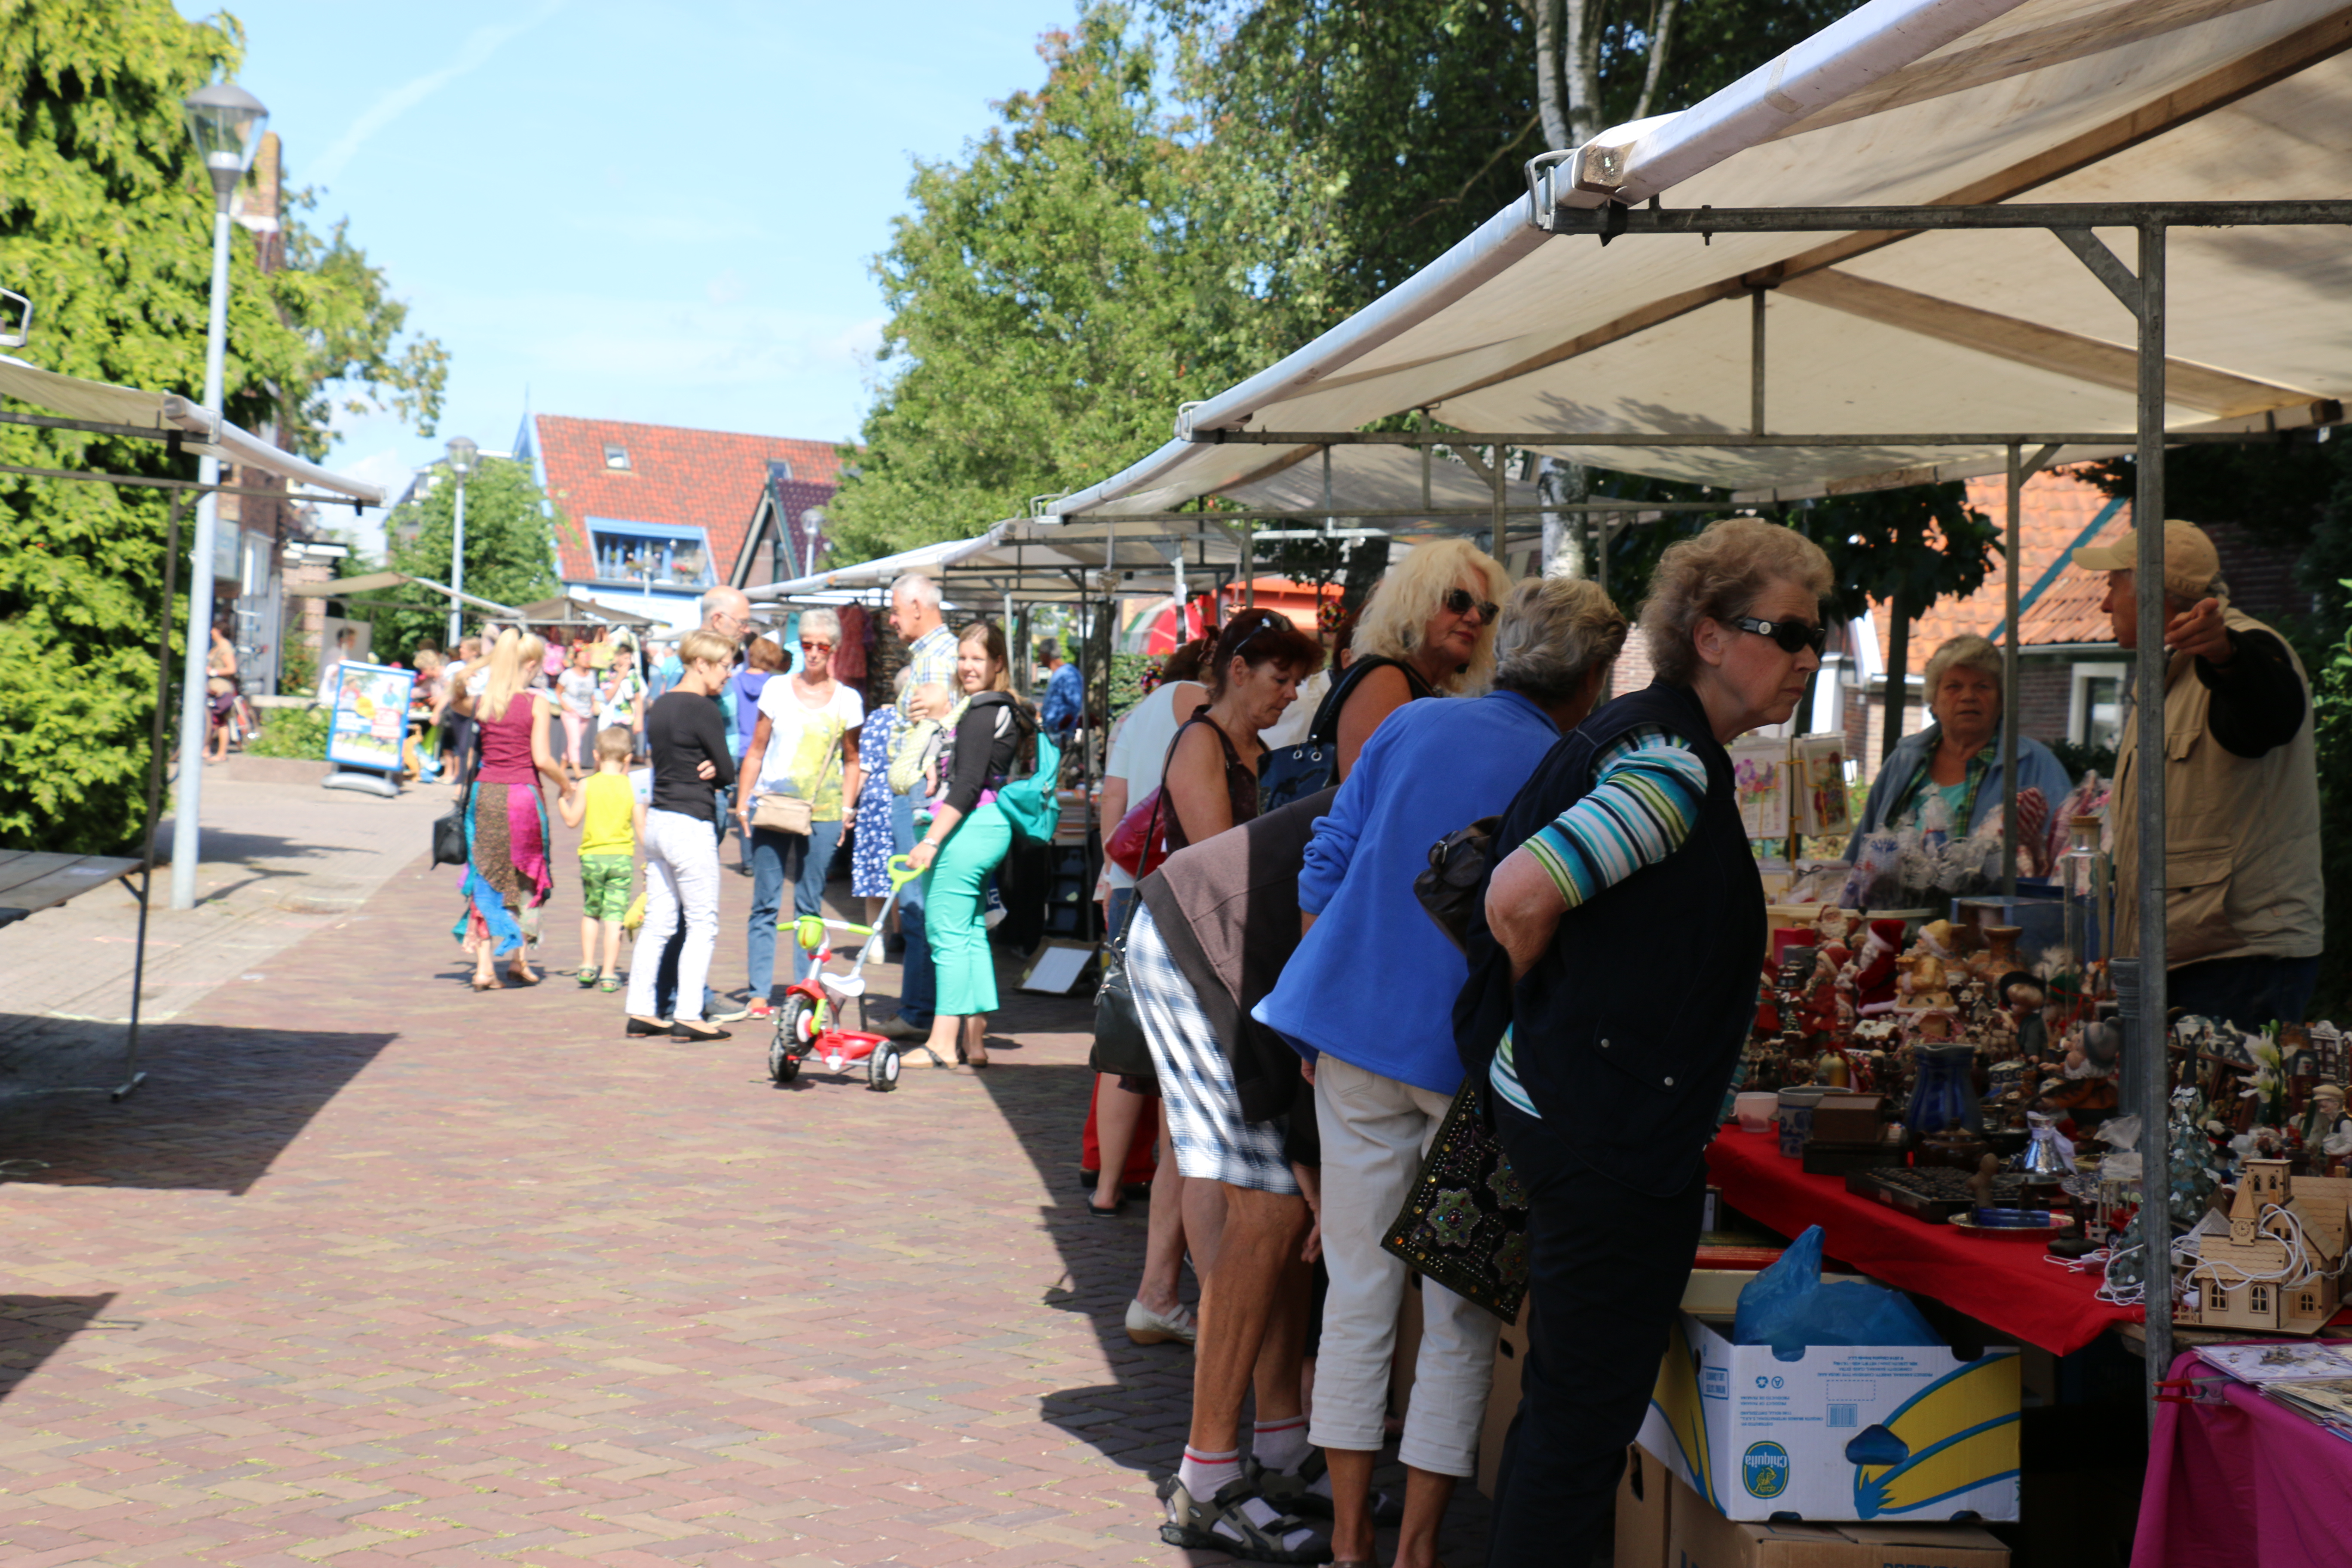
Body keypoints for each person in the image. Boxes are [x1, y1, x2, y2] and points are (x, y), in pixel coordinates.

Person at [1462, 517, 1831, 1564]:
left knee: (1566, 1412)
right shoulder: (1670, 765)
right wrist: (1560, 1021)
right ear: (1708, 636)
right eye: (1787, 630)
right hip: (1600, 1131)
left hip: (1586, 1114)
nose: (1807, 655)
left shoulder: (1652, 739)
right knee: (1578, 1427)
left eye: (1819, 633)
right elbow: (1517, 897)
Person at [1254, 577, 1628, 1568]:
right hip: (1478, 1063)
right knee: (1459, 1313)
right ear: (1591, 679)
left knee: (1358, 1295)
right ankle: (1415, 1548)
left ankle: (1345, 1545)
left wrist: (1332, 984)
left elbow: (1321, 863)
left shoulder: (1414, 724)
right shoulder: (1573, 768)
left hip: (1350, 1036)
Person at [1119, 612, 1333, 1561]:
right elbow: (1222, 890)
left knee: (1274, 1206)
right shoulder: (1202, 744)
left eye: (1300, 679)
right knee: (1261, 1211)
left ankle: (1276, 1439)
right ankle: (1211, 1469)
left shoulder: (1257, 753)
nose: (1290, 694)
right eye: (1278, 674)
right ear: (1234, 667)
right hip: (1210, 962)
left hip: (1239, 967)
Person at [2075, 519, 2323, 1027]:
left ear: (2150, 596)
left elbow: (2268, 711)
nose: (2103, 605)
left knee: (2222, 1109)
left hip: (2238, 960)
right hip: (2195, 952)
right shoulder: (2169, 670)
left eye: (2111, 587)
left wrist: (2226, 657)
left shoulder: (2247, 649)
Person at [905, 621, 1036, 1072]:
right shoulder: (1006, 710)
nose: (967, 667)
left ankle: (942, 1042)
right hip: (990, 826)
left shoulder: (982, 712)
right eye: (962, 658)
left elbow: (965, 786)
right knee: (971, 933)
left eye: (978, 659)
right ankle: (974, 1041)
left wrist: (930, 840)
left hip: (969, 828)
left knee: (945, 934)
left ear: (998, 663)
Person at [1844, 633, 2073, 857]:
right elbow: (1862, 850)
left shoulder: (2037, 765)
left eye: (1982, 687)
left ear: (2002, 701)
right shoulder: (1904, 759)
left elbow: (2060, 855)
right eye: (1954, 686)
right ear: (1933, 701)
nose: (1968, 696)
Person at [740, 609, 864, 1018]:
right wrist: (743, 802)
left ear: (834, 649)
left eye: (821, 646)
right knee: (765, 901)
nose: (812, 653)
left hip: (825, 811)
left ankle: (803, 990)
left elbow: (852, 759)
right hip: (775, 804)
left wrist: (848, 808)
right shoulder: (777, 688)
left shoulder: (848, 699)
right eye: (806, 644)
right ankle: (759, 992)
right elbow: (756, 749)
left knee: (810, 905)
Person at [644, 587, 757, 1027]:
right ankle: (682, 1001)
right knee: (690, 910)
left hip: (703, 791)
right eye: (741, 623)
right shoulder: (687, 673)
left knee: (678, 907)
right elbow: (663, 733)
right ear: (717, 622)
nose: (746, 632)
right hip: (688, 796)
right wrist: (704, 765)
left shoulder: (715, 668)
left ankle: (674, 997)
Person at [625, 628, 740, 1042]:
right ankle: (689, 1013)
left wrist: (711, 763)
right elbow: (726, 770)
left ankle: (641, 1007)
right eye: (725, 666)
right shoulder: (703, 708)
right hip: (691, 821)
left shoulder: (661, 706)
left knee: (659, 921)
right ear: (701, 664)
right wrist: (716, 766)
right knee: (702, 923)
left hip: (658, 820)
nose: (728, 674)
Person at [1324, 538, 1511, 779]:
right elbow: (1370, 799)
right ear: (1414, 603)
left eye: (1486, 610)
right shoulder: (1384, 680)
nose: (1474, 617)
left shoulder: (1409, 682)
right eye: (1459, 601)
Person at [450, 629, 574, 991]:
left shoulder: (484, 699)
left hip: (485, 792)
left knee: (486, 876)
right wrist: (566, 783)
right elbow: (542, 759)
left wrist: (475, 666)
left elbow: (454, 694)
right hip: (522, 795)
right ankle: (519, 959)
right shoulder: (535, 702)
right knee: (526, 878)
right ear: (532, 664)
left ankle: (484, 968)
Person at [877, 572, 960, 1041]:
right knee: (919, 904)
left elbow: (944, 728)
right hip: (913, 790)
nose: (890, 620)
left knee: (917, 904)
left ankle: (920, 1011)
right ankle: (924, 1008)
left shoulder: (941, 657)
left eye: (894, 609)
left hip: (921, 794)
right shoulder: (931, 656)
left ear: (915, 606)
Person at [558, 725, 637, 992]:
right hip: (622, 858)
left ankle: (587, 964)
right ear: (628, 757)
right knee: (615, 915)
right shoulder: (632, 787)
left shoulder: (587, 784)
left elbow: (571, 821)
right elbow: (642, 826)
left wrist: (561, 798)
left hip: (592, 857)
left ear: (596, 754)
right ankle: (608, 973)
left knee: (592, 912)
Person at [851, 668, 912, 928]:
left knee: (874, 873)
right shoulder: (926, 722)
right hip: (906, 800)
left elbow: (862, 769)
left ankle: (874, 944)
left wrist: (849, 806)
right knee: (904, 869)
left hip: (874, 803)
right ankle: (899, 932)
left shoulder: (877, 718)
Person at [728, 636, 788, 875]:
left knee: (742, 803)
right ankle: (764, 856)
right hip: (763, 750)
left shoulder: (733, 682)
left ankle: (748, 861)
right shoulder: (777, 685)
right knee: (761, 804)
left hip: (737, 748)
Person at [556, 642, 601, 781]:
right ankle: (578, 772)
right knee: (575, 742)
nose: (585, 660)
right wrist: (565, 705)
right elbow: (558, 692)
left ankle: (560, 770)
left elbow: (593, 692)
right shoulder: (567, 675)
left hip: (585, 712)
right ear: (575, 660)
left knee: (572, 743)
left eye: (586, 657)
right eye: (581, 657)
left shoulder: (592, 675)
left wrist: (594, 704)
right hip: (571, 712)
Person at [1038, 637, 1084, 742]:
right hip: (1053, 731)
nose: (1039, 657)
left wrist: (1062, 726)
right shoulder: (1061, 673)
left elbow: (1076, 704)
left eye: (1040, 653)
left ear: (1046, 654)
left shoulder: (1068, 674)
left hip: (1060, 734)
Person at [205, 627, 239, 763]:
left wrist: (213, 672)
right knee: (211, 720)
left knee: (220, 721)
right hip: (212, 688)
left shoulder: (225, 648)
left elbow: (232, 668)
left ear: (218, 631)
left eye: (212, 630)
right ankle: (206, 750)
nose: (210, 632)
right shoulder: (217, 647)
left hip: (221, 689)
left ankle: (221, 753)